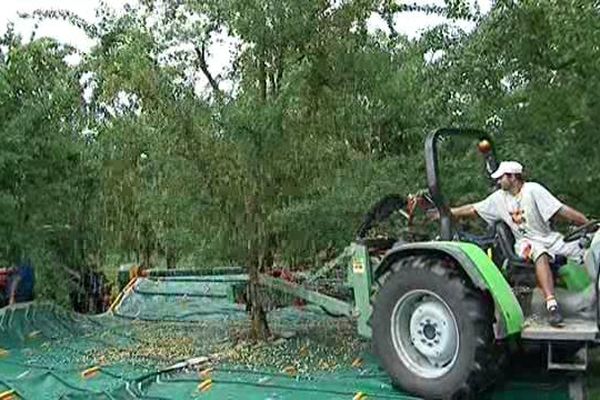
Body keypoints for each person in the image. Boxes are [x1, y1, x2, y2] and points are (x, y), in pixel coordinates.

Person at [444, 161, 588, 327]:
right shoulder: (498, 198)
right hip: (525, 243)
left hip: (549, 237)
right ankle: (551, 305)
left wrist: (587, 223)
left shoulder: (533, 190)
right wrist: (448, 212)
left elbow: (560, 210)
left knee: (584, 249)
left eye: (501, 177)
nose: (498, 182)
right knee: (539, 251)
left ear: (513, 177)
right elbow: (473, 209)